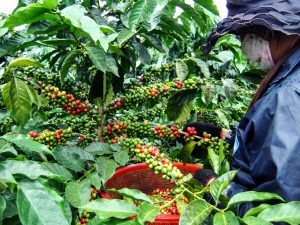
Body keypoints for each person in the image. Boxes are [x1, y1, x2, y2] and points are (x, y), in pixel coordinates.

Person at [191, 0, 300, 217]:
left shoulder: (289, 95)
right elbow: (273, 149)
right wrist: (226, 136)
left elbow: (278, 214)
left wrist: (217, 189)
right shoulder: (290, 77)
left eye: (244, 35)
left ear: (270, 30)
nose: (243, 46)